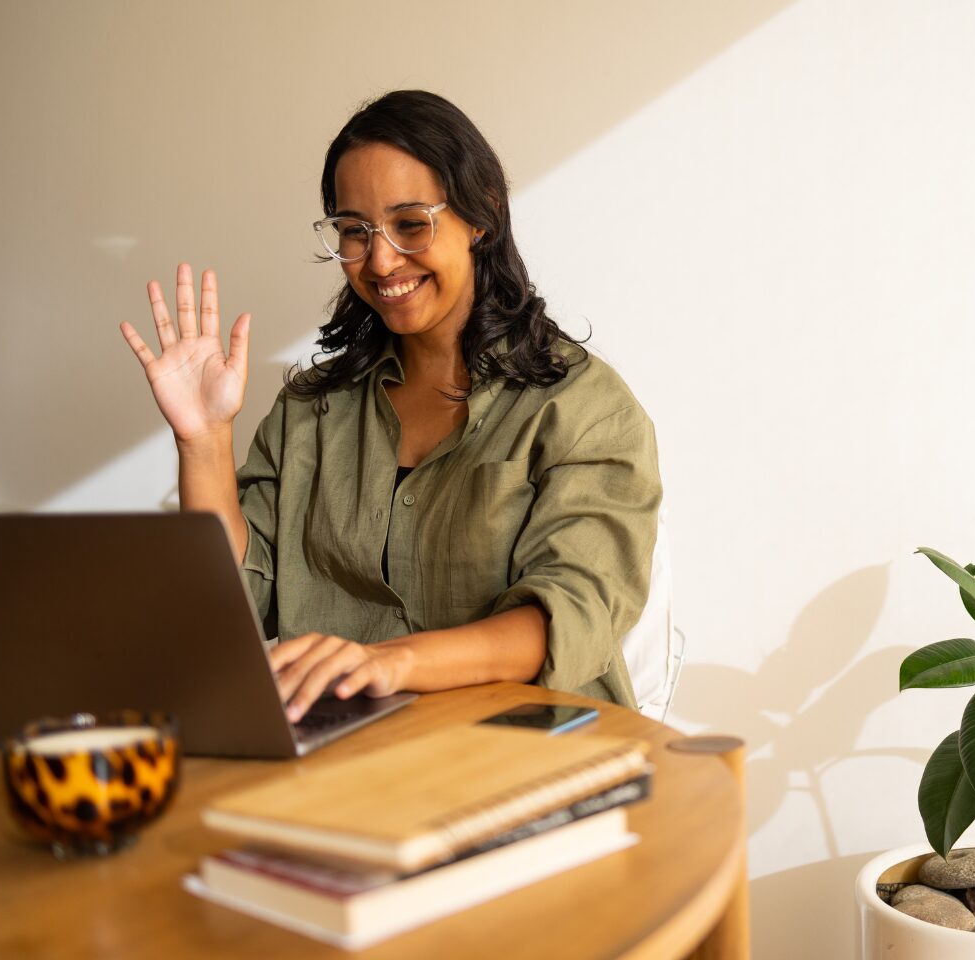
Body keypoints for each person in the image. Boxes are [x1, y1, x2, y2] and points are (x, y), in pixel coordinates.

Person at [121, 90, 660, 719]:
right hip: (341, 752)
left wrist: (389, 662)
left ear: (480, 214)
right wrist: (204, 440)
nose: (379, 260)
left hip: (523, 755)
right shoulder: (312, 410)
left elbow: (569, 615)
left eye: (410, 224)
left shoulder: (581, 407)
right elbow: (229, 605)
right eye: (355, 231)